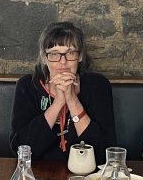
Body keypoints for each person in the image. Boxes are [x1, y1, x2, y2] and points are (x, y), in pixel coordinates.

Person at [10, 21, 116, 163]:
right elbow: (21, 149)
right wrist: (58, 103)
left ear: (80, 57)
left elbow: (103, 152)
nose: (63, 62)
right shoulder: (28, 86)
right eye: (54, 54)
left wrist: (72, 100)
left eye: (70, 53)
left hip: (85, 176)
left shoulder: (97, 85)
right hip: (37, 174)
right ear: (44, 58)